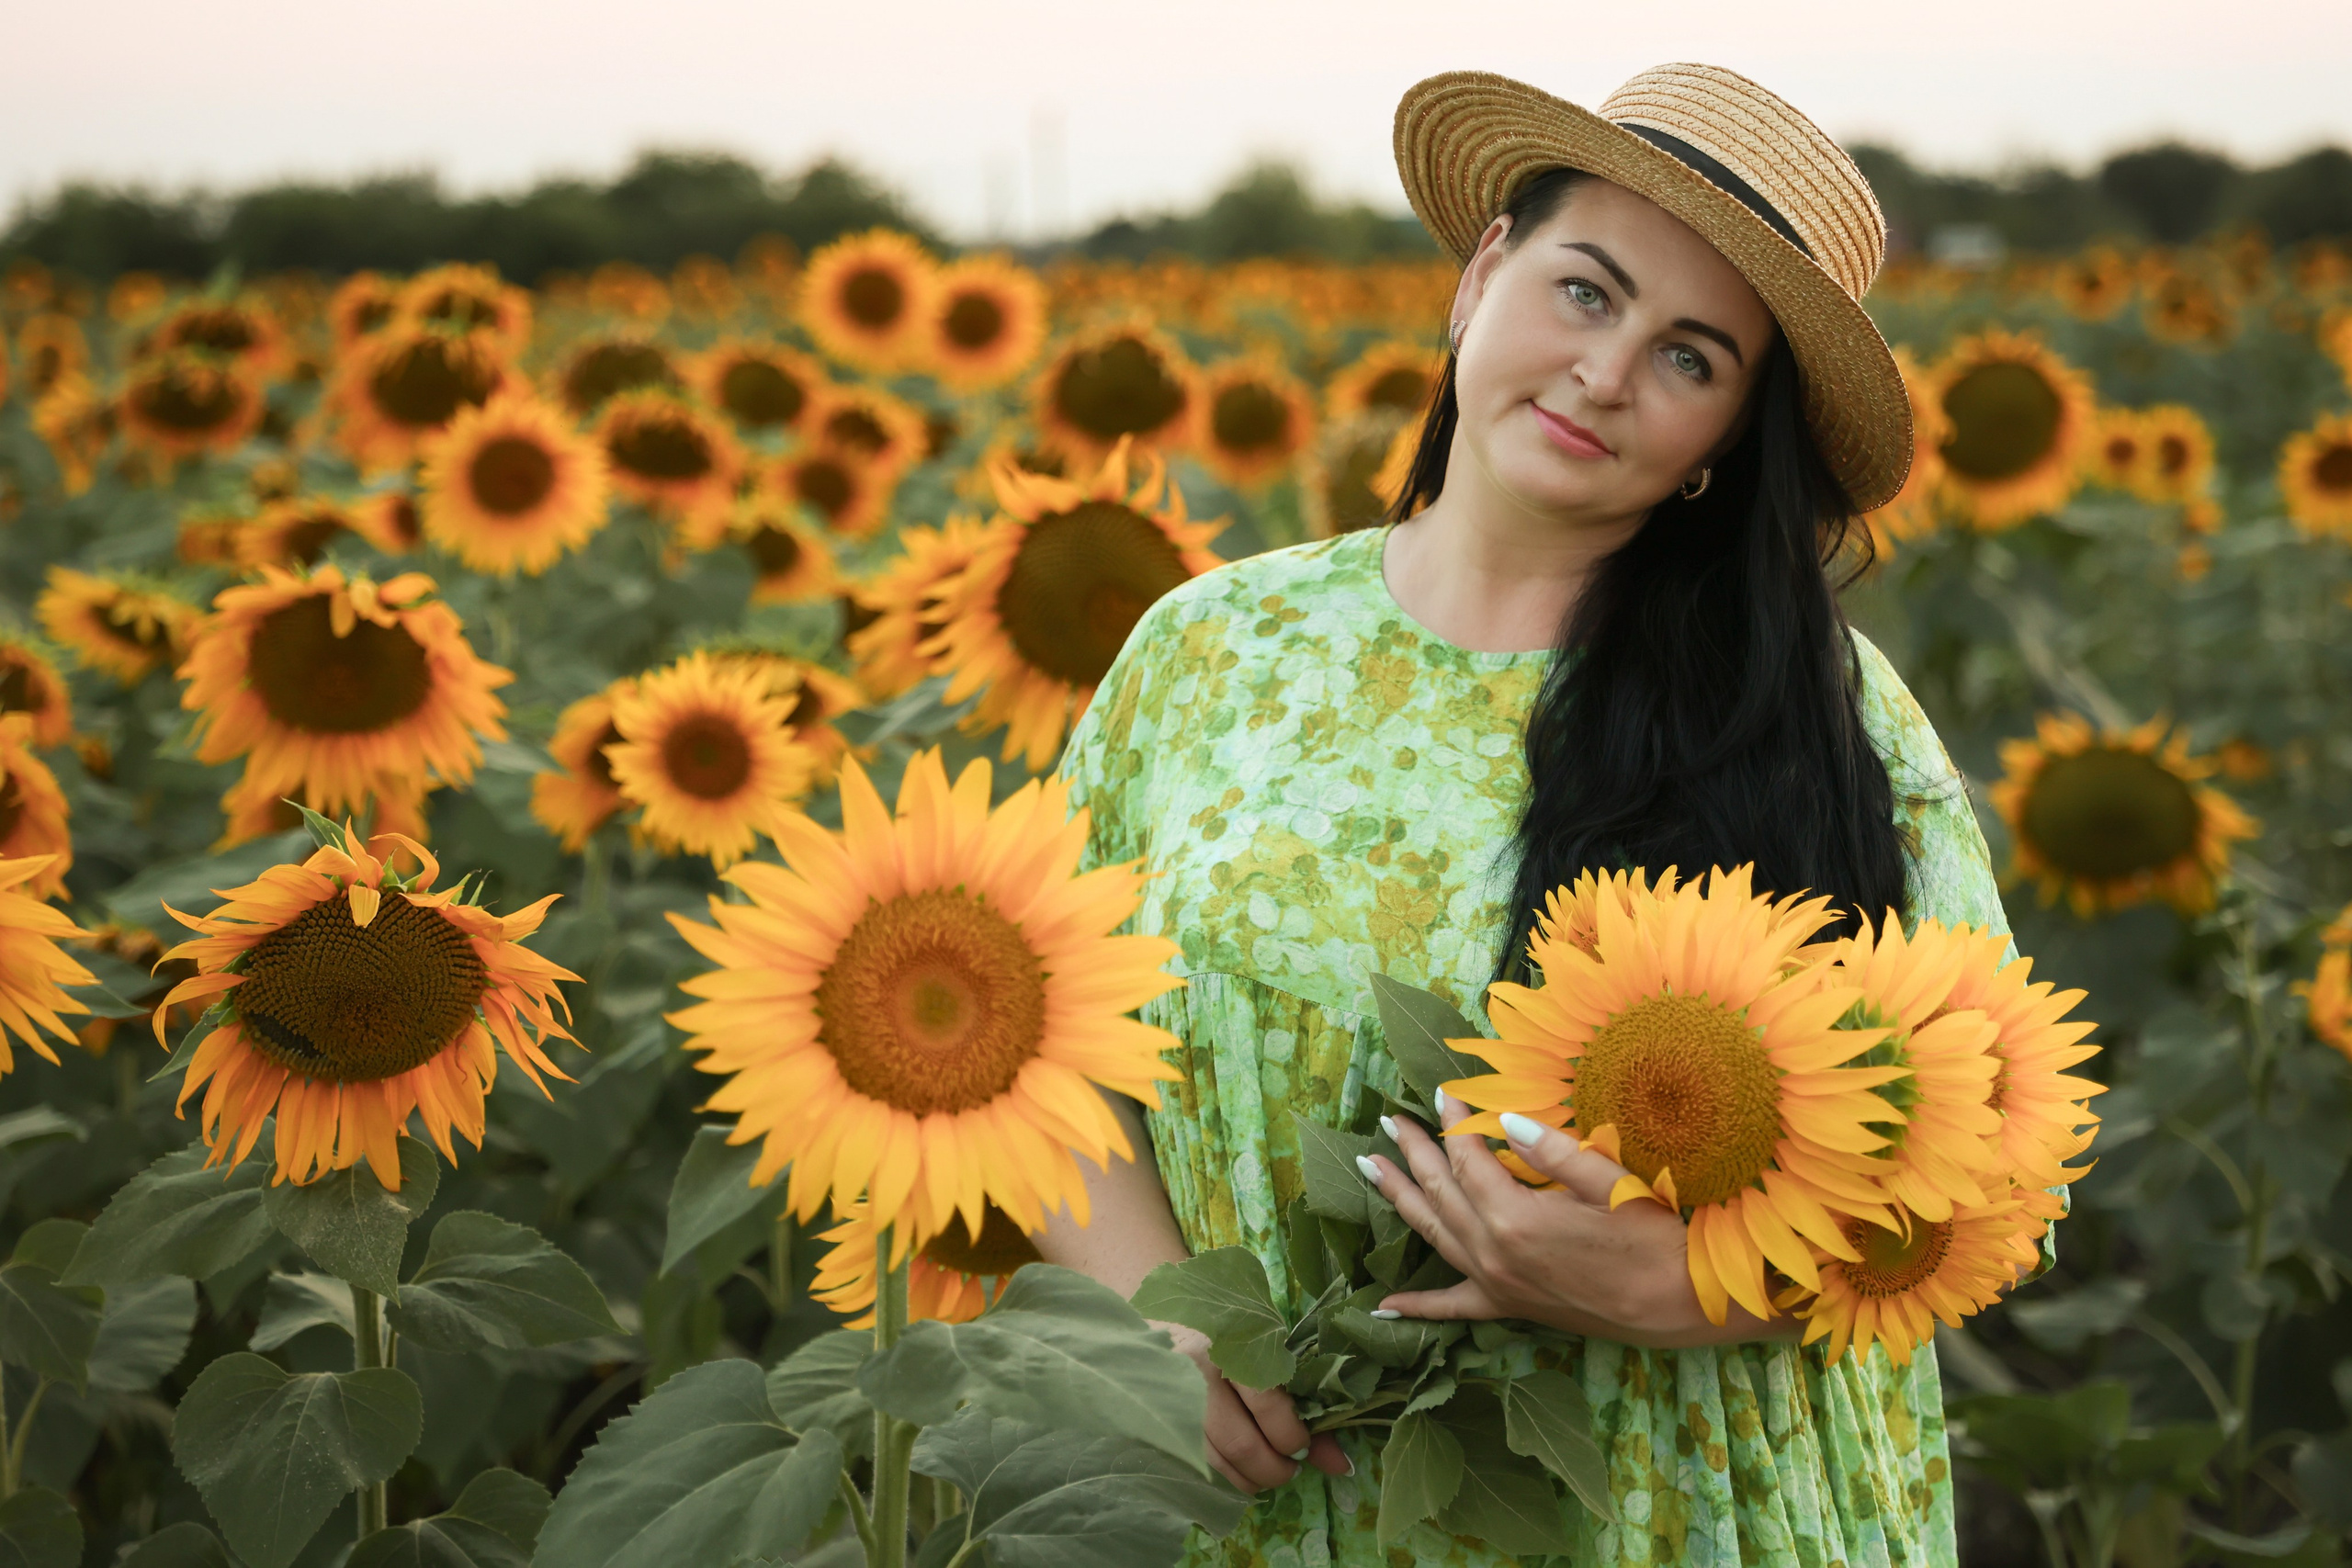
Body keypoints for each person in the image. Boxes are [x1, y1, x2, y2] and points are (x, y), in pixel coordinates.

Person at [1037, 62, 2041, 1567]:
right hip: (1260, 1494)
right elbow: (1040, 1032)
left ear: (1727, 438)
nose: (1607, 373)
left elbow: (1999, 1166)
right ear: (1482, 275)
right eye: (1586, 292)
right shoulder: (1210, 650)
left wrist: (1694, 1286)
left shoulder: (1813, 712)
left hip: (1678, 1503)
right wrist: (1153, 1324)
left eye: (1690, 357)